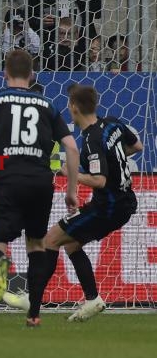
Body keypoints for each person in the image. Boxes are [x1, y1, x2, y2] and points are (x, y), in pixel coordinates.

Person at [0, 49, 80, 327]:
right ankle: (34, 313)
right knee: (36, 245)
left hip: (8, 180)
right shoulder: (48, 105)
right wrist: (71, 190)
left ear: (5, 73)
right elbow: (71, 147)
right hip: (41, 183)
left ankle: (0, 263)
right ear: (32, 75)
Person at [26, 84, 142, 322]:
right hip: (125, 201)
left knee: (51, 239)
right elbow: (136, 146)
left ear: (74, 107)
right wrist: (113, 161)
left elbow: (99, 181)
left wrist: (71, 174)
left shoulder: (91, 139)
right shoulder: (112, 123)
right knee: (71, 244)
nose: (69, 108)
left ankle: (33, 299)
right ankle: (92, 299)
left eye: (69, 104)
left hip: (108, 206)